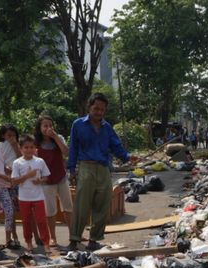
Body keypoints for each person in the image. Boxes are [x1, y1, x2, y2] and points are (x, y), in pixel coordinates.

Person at [67, 93, 139, 251]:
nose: (99, 112)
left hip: (104, 168)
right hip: (85, 167)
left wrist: (127, 156)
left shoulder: (107, 127)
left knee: (102, 205)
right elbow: (73, 148)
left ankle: (94, 239)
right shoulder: (78, 125)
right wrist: (71, 170)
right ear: (89, 107)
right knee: (81, 205)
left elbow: (116, 146)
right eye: (96, 108)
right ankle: (74, 240)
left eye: (102, 109)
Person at [34, 115, 72, 247]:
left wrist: (55, 137)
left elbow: (67, 153)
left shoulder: (59, 138)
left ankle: (73, 235)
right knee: (50, 211)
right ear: (39, 128)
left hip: (61, 177)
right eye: (45, 126)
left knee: (68, 207)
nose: (48, 128)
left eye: (50, 125)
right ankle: (53, 238)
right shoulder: (35, 143)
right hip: (46, 182)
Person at [11, 135, 51, 254]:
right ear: (20, 148)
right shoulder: (17, 163)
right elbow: (14, 181)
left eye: (31, 147)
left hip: (38, 196)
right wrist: (27, 176)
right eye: (26, 147)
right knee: (26, 221)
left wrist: (40, 180)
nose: (29, 150)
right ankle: (28, 242)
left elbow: (46, 176)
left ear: (35, 148)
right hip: (24, 198)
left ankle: (46, 243)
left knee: (42, 221)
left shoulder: (40, 161)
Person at [0, 124, 28, 248]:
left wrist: (15, 144)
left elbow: (23, 159)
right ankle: (13, 236)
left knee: (20, 209)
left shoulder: (19, 146)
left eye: (14, 135)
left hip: (16, 181)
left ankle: (29, 236)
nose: (11, 137)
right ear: (3, 135)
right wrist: (4, 169)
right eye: (9, 135)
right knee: (10, 212)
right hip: (4, 182)